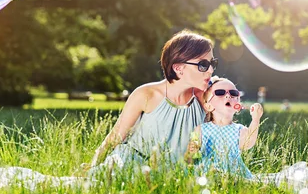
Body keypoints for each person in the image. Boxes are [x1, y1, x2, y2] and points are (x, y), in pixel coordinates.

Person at [89, 30, 217, 170]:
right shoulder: (146, 94)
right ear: (178, 68)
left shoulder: (204, 98)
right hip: (131, 166)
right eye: (203, 64)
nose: (211, 70)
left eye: (212, 63)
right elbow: (116, 137)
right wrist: (92, 166)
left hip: (175, 175)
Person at [184, 77, 263, 178]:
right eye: (220, 92)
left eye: (233, 93)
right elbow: (190, 157)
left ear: (238, 105)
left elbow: (249, 143)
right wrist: (191, 152)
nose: (228, 96)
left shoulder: (239, 130)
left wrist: (255, 119)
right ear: (208, 106)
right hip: (207, 174)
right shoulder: (200, 129)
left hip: (234, 175)